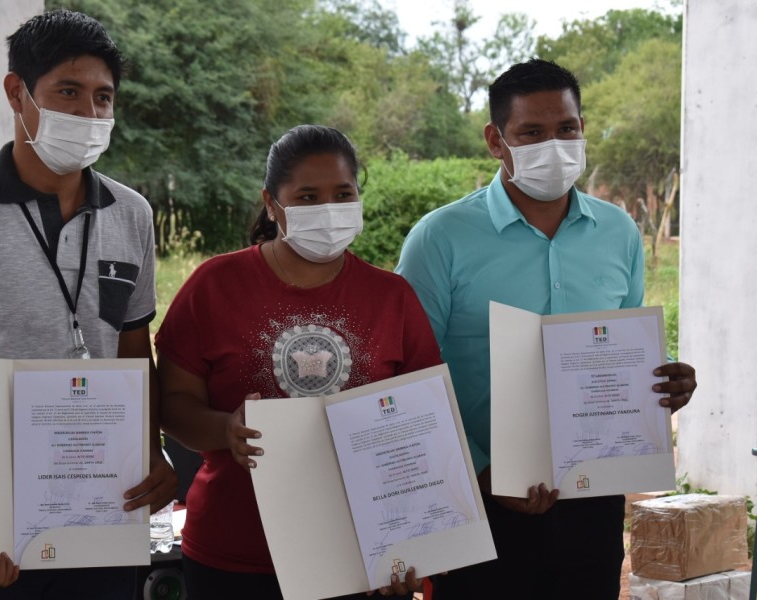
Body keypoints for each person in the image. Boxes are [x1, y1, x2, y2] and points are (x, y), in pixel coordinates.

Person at [0, 9, 177, 599]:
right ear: (17, 93)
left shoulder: (132, 215)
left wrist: (152, 451)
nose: (89, 114)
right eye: (68, 92)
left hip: (100, 519)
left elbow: (130, 353)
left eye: (103, 98)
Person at [395, 59, 697, 599]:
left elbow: (626, 351)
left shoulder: (618, 232)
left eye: (567, 129)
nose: (553, 145)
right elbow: (408, 376)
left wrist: (661, 390)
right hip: (477, 501)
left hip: (593, 501)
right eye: (531, 132)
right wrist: (483, 475)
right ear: (496, 140)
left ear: (583, 129)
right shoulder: (440, 239)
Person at [155, 125, 441, 600]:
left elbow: (423, 428)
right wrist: (227, 429)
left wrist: (413, 544)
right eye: (307, 197)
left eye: (342, 194)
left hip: (359, 557)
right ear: (272, 203)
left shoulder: (393, 297)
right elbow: (173, 405)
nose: (327, 209)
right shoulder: (213, 286)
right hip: (235, 557)